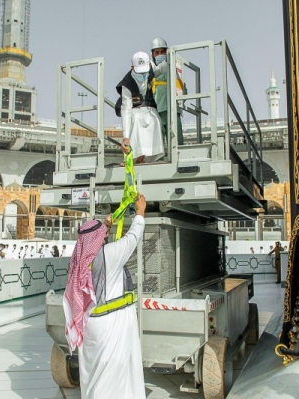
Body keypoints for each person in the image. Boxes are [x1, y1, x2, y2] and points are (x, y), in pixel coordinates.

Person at [64, 193, 147, 398]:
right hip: (111, 324)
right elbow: (133, 236)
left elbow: (95, 244)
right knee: (110, 377)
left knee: (93, 374)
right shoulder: (109, 254)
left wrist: (105, 226)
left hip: (89, 324)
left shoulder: (78, 261)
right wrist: (140, 212)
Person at [118, 51, 169, 164]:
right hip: (135, 110)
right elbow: (126, 109)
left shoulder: (150, 71)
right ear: (132, 68)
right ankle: (134, 157)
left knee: (154, 119)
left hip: (150, 108)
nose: (142, 75)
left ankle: (145, 157)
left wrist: (170, 57)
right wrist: (125, 137)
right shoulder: (127, 83)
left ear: (149, 66)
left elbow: (161, 69)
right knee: (136, 119)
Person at [150, 37, 187, 146]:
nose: (160, 54)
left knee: (177, 142)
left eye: (162, 51)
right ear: (152, 54)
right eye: (157, 52)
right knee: (157, 144)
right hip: (157, 110)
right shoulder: (150, 70)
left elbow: (182, 87)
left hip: (173, 109)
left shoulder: (174, 68)